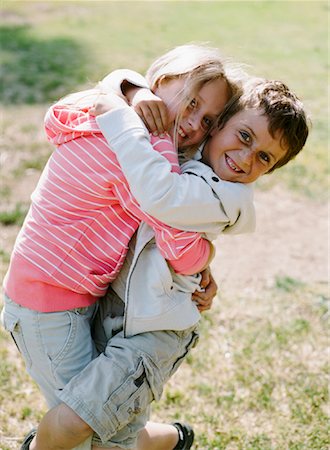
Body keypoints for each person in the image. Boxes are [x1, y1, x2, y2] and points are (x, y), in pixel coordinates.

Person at [18, 74, 309, 450]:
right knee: (112, 431)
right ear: (218, 126)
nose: (246, 158)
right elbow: (124, 79)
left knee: (84, 422)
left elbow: (162, 199)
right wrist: (133, 91)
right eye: (245, 137)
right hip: (118, 310)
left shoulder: (227, 195)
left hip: (156, 331)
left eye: (264, 158)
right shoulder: (188, 153)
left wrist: (121, 117)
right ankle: (172, 439)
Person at [1, 44, 246, 450]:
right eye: (191, 102)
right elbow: (176, 238)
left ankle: (170, 439)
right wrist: (207, 258)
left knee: (104, 421)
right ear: (161, 84)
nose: (192, 123)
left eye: (207, 120)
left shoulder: (113, 119)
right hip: (46, 306)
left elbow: (63, 113)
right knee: (86, 427)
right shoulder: (136, 152)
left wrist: (127, 88)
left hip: (73, 294)